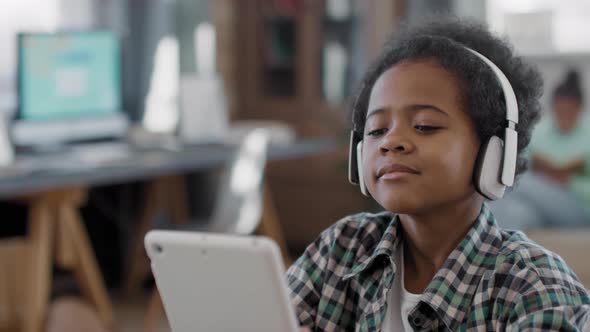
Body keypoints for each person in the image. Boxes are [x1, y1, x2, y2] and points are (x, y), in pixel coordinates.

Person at [286, 18, 590, 331]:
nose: (391, 141)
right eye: (376, 129)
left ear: (495, 150)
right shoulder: (341, 248)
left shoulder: (535, 286)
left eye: (425, 126)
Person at [488, 70, 590, 230]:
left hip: (579, 205)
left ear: (580, 109)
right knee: (515, 213)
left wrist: (570, 182)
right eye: (560, 112)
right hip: (541, 204)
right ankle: (491, 250)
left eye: (569, 113)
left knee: (515, 183)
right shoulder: (538, 133)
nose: (564, 118)